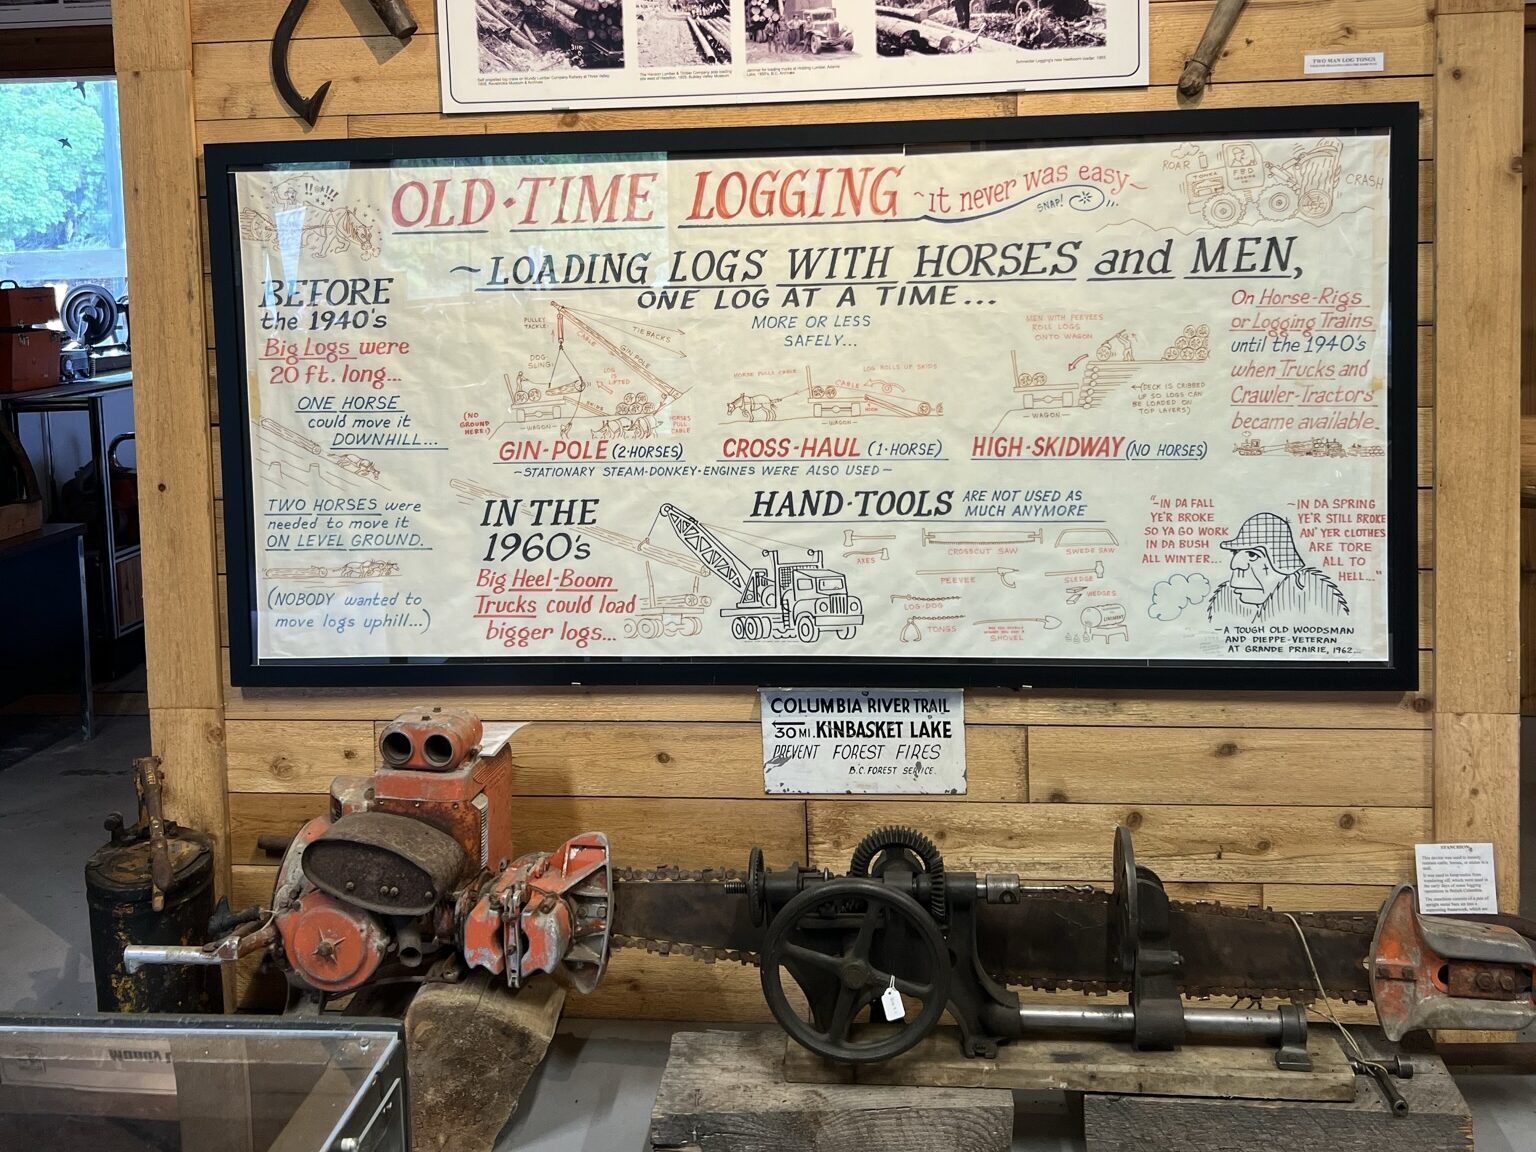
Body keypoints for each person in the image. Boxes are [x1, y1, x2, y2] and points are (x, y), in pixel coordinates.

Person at [1206, 511, 1349, 625]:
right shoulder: (1224, 608)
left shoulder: (1321, 606)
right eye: (1235, 552)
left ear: (1282, 564)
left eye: (1252, 554)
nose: (1236, 564)